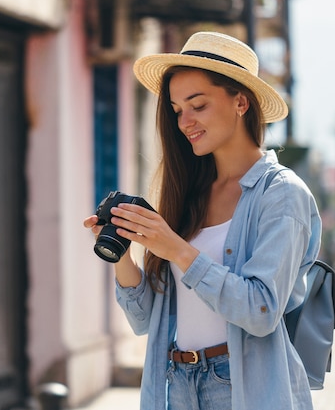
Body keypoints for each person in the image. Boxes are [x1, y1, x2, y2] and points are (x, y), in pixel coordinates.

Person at [83, 31, 321, 410]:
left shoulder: (281, 194)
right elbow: (145, 319)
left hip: (240, 387)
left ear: (241, 102)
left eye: (198, 105)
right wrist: (122, 253)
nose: (185, 121)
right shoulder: (189, 194)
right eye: (177, 110)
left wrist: (177, 249)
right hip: (176, 383)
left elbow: (260, 311)